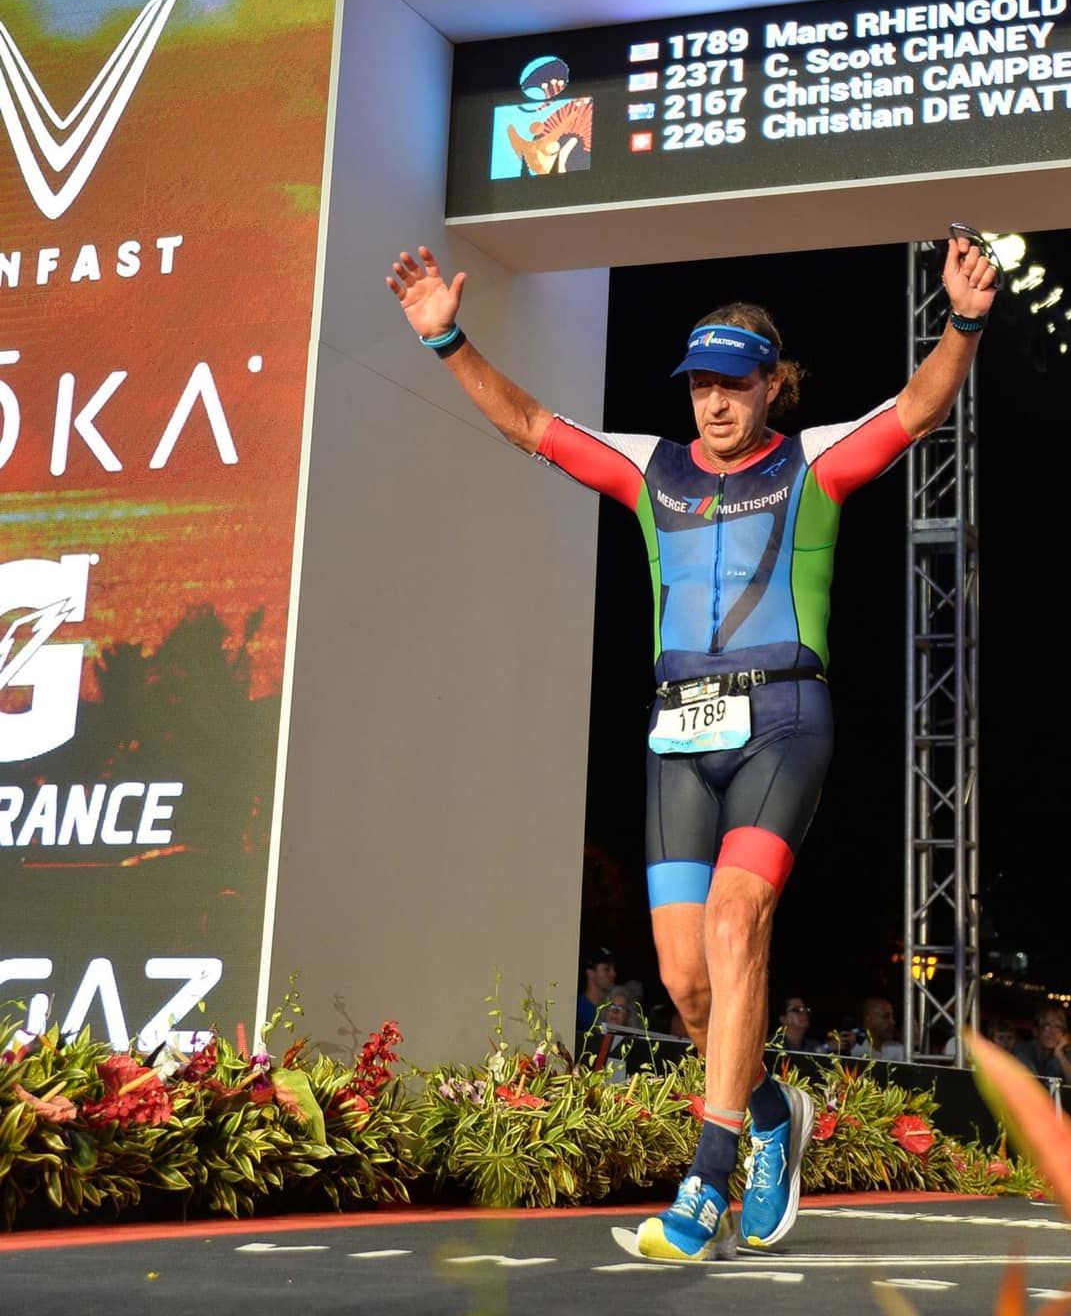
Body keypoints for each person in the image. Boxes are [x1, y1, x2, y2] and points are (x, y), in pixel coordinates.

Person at [385, 231, 996, 1262]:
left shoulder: (810, 465)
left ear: (772, 386)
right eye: (699, 384)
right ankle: (769, 1112)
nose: (711, 401)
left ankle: (706, 1178)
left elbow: (916, 410)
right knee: (687, 980)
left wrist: (964, 321)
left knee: (736, 913)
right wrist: (446, 336)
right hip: (680, 735)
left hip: (783, 721)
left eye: (731, 383)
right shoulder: (650, 470)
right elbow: (532, 421)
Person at [1014, 1003, 1071, 1088]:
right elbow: (1033, 1086)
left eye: (1058, 1027)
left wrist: (1060, 1056)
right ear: (1035, 1031)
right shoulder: (1023, 1050)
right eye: (1046, 1026)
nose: (1052, 1032)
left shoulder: (1064, 1055)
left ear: (1062, 1034)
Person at [852, 997, 906, 1063]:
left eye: (892, 1017)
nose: (893, 1022)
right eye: (886, 1017)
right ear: (869, 1020)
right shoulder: (851, 1047)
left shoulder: (898, 1049)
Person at [577, 948, 617, 1033]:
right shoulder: (577, 1009)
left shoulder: (614, 1009)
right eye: (607, 969)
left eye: (613, 969)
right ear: (591, 973)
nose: (613, 974)